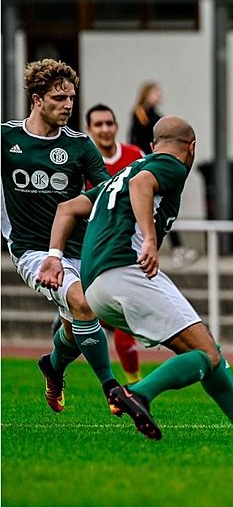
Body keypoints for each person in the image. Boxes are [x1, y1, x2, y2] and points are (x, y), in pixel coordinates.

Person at [39, 116, 233, 442]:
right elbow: (143, 185)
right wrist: (150, 241)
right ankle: (138, 393)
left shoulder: (121, 175)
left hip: (95, 287)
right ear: (191, 148)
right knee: (207, 355)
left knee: (205, 348)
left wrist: (54, 255)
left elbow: (67, 208)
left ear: (151, 145)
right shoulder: (170, 165)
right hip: (127, 272)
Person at [1, 59, 120, 413]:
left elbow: (104, 190)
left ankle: (53, 367)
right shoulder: (7, 138)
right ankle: (113, 390)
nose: (68, 105)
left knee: (76, 321)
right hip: (33, 251)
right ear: (37, 100)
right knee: (82, 304)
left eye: (71, 97)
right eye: (58, 98)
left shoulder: (80, 145)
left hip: (81, 248)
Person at [85, 103, 145, 382]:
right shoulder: (82, 159)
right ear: (89, 129)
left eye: (109, 123)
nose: (105, 129)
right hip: (89, 254)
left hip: (125, 250)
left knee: (125, 315)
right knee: (76, 319)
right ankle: (56, 366)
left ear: (116, 126)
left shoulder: (135, 156)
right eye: (98, 124)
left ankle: (133, 386)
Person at [129, 81, 198, 269]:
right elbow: (136, 141)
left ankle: (176, 249)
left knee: (163, 210)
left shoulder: (156, 116)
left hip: (157, 168)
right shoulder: (141, 114)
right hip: (150, 168)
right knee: (154, 210)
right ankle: (166, 247)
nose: (159, 95)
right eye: (155, 92)